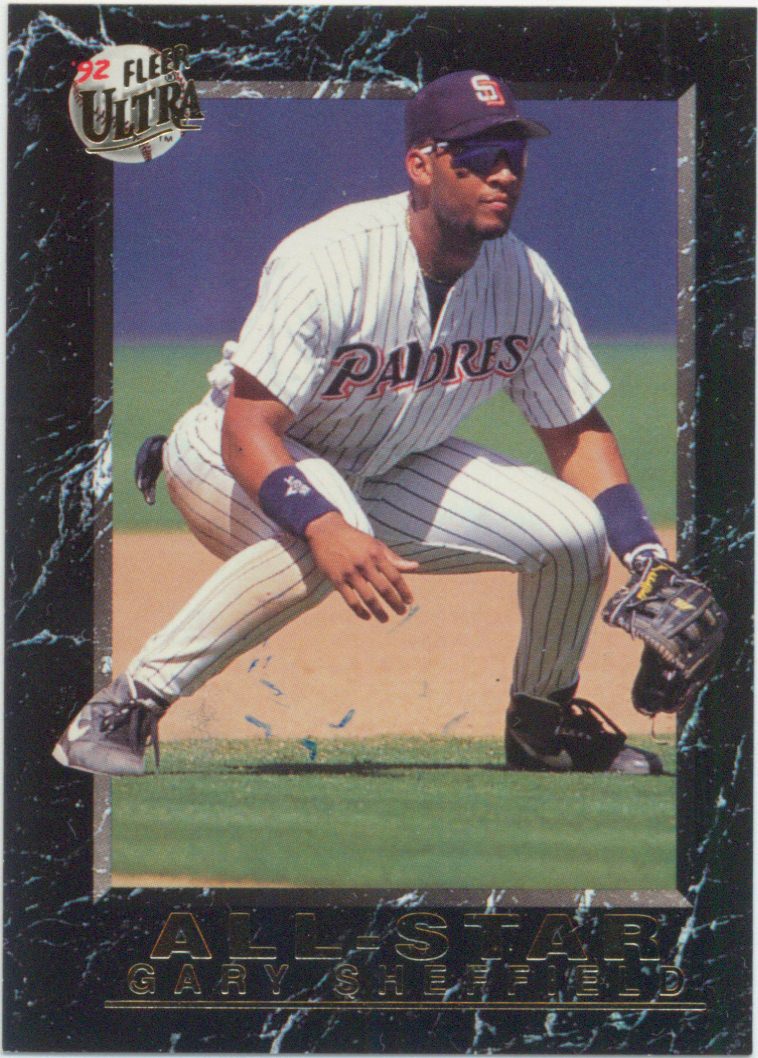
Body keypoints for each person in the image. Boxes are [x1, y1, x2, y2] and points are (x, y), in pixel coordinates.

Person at [54, 69, 670, 778]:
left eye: (513, 154)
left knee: (574, 531)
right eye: (476, 155)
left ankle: (542, 726)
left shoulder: (525, 280)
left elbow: (575, 431)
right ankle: (125, 706)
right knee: (322, 532)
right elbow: (248, 429)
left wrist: (646, 557)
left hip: (385, 465)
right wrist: (323, 524)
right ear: (421, 164)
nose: (502, 173)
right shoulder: (332, 260)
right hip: (233, 451)